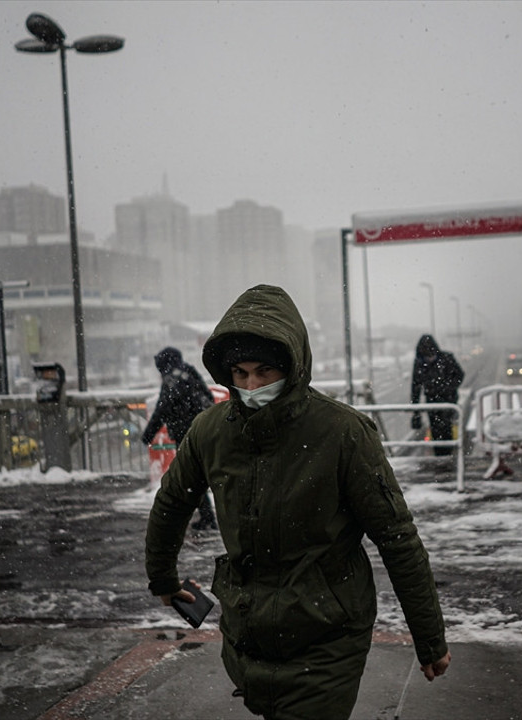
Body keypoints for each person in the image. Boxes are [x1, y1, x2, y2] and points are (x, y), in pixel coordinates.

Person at [145, 285, 450, 720]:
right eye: (240, 373)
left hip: (329, 634)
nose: (251, 386)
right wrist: (162, 578)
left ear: (292, 366)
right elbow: (172, 502)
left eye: (264, 371)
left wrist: (429, 638)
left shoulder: (342, 433)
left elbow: (396, 537)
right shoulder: (211, 432)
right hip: (247, 633)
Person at [141, 346, 218, 531]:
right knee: (200, 474)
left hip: (185, 433)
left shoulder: (171, 379)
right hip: (203, 429)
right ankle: (209, 516)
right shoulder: (189, 372)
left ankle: (207, 516)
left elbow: (162, 408)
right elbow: (208, 397)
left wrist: (148, 434)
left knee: (192, 476)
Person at [410, 334, 464, 456]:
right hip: (432, 401)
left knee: (446, 428)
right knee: (436, 430)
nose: (429, 358)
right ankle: (442, 455)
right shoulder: (420, 363)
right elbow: (415, 387)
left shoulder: (446, 358)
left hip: (447, 400)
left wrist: (448, 388)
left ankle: (446, 454)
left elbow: (459, 375)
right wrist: (415, 412)